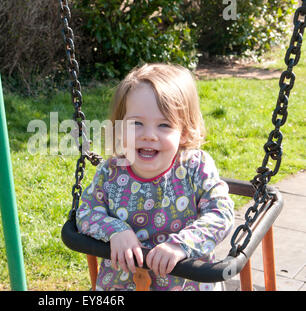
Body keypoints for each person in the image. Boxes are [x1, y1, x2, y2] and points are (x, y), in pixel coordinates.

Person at [76, 63, 234, 291]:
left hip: (185, 285)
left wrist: (182, 244)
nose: (149, 135)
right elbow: (86, 212)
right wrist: (115, 230)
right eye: (136, 123)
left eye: (164, 125)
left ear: (185, 131)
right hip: (121, 286)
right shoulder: (110, 172)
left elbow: (222, 212)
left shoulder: (194, 167)